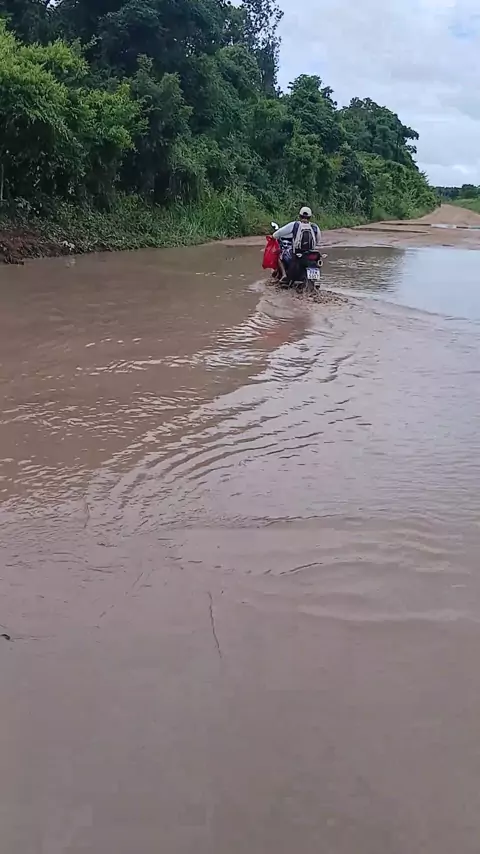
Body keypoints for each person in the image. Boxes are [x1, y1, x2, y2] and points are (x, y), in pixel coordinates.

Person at [273, 207, 322, 282]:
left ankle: (284, 275)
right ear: (310, 217)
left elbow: (277, 234)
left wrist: (273, 236)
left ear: (299, 216)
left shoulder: (295, 225)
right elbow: (317, 240)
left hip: (297, 254)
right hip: (311, 254)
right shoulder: (315, 227)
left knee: (281, 255)